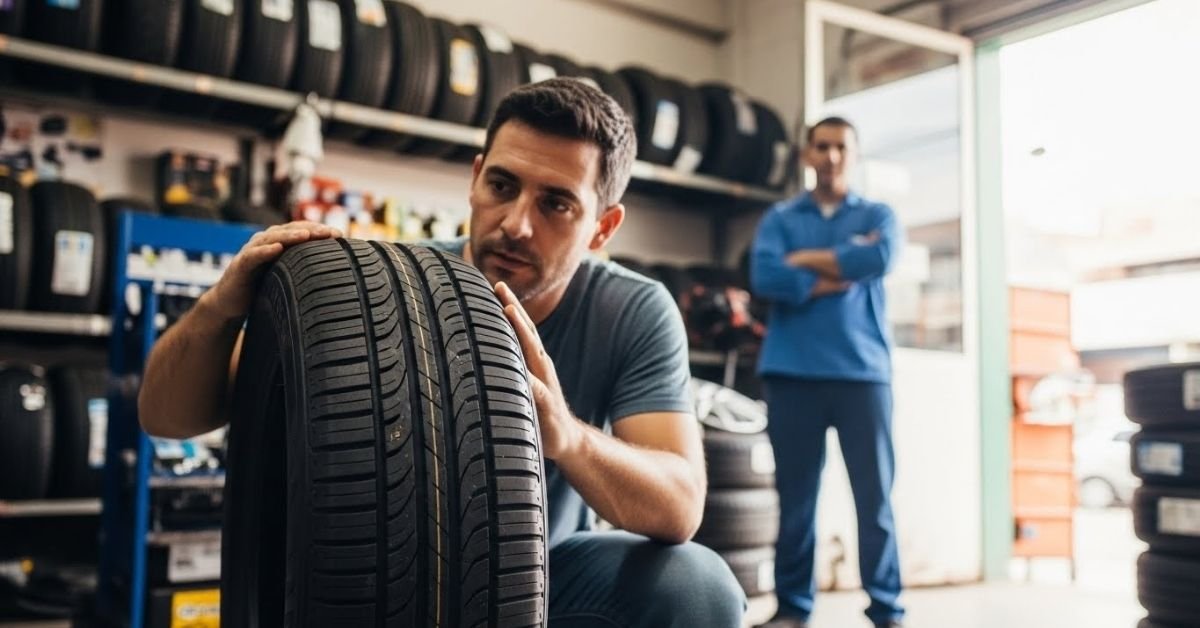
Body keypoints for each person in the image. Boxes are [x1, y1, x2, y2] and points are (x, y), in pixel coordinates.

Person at [138, 78, 745, 627]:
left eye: (555, 204)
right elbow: (164, 418)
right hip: (362, 580)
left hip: (536, 578)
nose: (516, 224)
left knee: (696, 587)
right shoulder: (384, 291)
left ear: (603, 228)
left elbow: (680, 504)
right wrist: (220, 306)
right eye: (502, 186)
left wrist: (565, 435)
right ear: (476, 177)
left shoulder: (631, 309)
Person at [749, 117, 905, 628]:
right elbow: (765, 275)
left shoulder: (879, 213)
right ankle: (794, 608)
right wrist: (841, 267)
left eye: (841, 147)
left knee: (874, 499)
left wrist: (806, 262)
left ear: (853, 155)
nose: (832, 155)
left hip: (863, 376)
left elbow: (880, 256)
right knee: (796, 500)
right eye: (822, 146)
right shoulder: (779, 216)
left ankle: (887, 609)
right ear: (806, 154)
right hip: (791, 374)